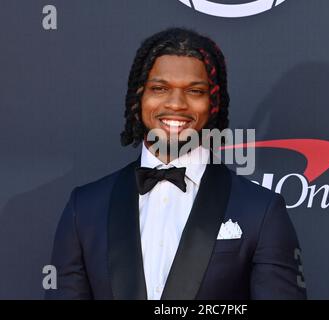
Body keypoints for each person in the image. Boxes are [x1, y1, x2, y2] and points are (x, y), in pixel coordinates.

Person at [46, 27, 307, 300]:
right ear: (139, 97)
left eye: (194, 91)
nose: (176, 104)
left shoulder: (261, 210)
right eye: (160, 88)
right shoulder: (85, 207)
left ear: (213, 103)